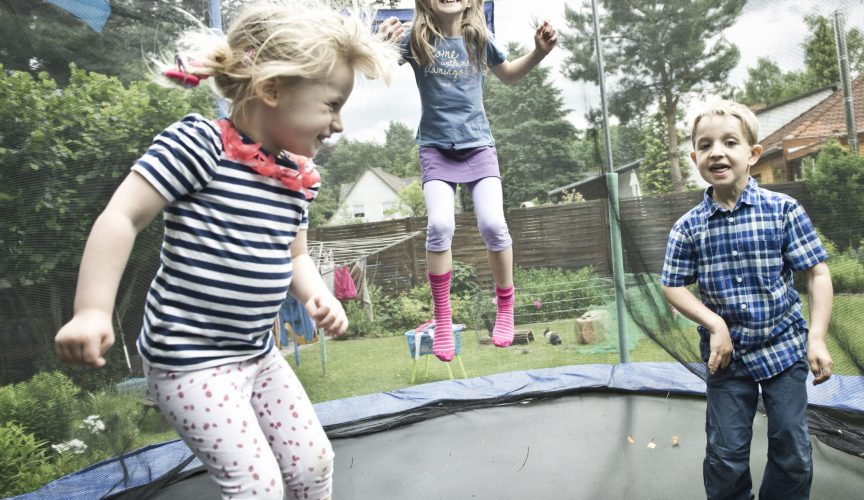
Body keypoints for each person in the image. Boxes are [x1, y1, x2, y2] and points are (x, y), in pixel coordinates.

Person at [53, 2, 397, 498]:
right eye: (332, 104)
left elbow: (295, 254)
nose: (338, 123)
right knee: (256, 485)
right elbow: (122, 216)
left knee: (313, 462)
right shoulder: (199, 147)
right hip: (189, 362)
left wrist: (316, 294)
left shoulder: (296, 180)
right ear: (272, 89)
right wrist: (90, 311)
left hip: (258, 354)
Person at [659, 100, 834, 500]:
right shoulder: (688, 228)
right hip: (727, 357)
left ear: (753, 154)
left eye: (729, 142)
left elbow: (817, 272)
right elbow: (671, 285)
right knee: (725, 455)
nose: (717, 152)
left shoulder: (783, 210)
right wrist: (715, 324)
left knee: (793, 450)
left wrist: (818, 337)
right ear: (695, 158)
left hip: (783, 347)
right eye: (705, 145)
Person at [378, 0, 557, 361]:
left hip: (478, 146)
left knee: (493, 224)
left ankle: (506, 304)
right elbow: (373, 70)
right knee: (440, 226)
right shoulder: (417, 39)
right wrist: (379, 43)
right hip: (435, 148)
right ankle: (443, 318)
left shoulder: (479, 39)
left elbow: (508, 74)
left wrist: (538, 52)